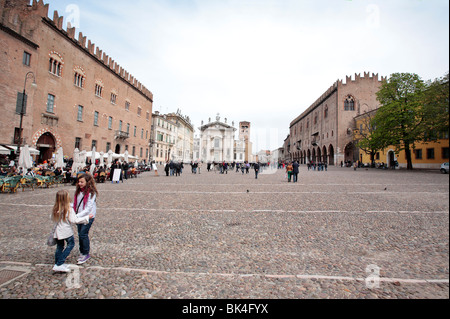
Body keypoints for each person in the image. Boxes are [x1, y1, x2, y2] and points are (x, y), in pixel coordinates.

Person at [51, 190, 93, 272]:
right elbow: (75, 220)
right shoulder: (68, 209)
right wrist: (87, 218)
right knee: (70, 245)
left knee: (59, 247)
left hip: (57, 232)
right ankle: (59, 263)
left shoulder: (55, 208)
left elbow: (52, 218)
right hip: (66, 232)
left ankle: (57, 263)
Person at [74, 173, 98, 265]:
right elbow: (77, 204)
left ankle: (85, 253)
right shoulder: (78, 191)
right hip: (79, 216)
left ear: (87, 182)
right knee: (80, 234)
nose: (79, 183)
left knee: (83, 234)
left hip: (89, 216)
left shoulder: (91, 193)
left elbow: (88, 208)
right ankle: (82, 251)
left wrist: (77, 216)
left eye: (81, 182)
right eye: (79, 182)